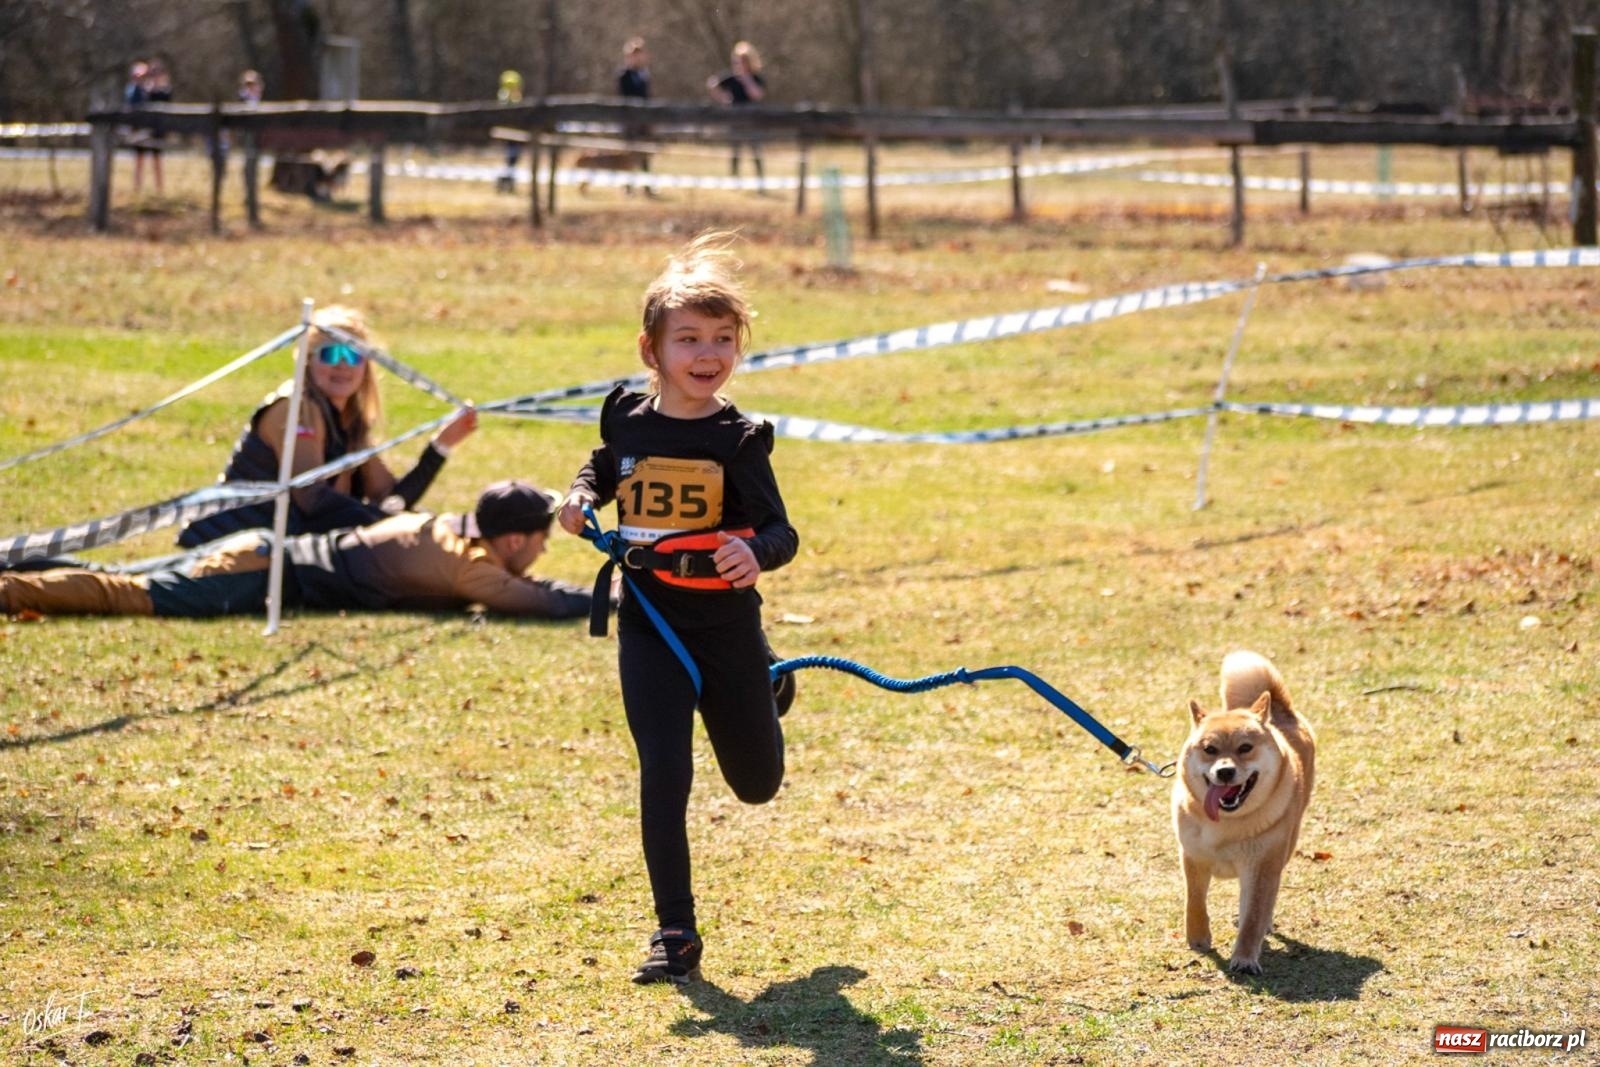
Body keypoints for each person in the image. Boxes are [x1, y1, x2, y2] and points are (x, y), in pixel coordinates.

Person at [559, 233, 799, 984]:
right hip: (649, 623)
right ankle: (676, 933)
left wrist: (754, 554)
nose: (707, 353)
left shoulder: (740, 439)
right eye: (689, 338)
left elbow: (781, 532)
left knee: (756, 784)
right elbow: (605, 464)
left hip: (726, 627)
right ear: (652, 349)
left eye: (723, 338)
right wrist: (581, 495)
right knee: (664, 769)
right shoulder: (626, 417)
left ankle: (770, 678)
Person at [2, 481, 591, 621]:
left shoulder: (441, 527)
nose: (542, 551)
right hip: (258, 573)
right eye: (541, 540)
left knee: (114, 571)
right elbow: (535, 600)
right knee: (121, 592)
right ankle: (9, 588)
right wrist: (608, 598)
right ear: (513, 539)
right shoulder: (470, 567)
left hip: (259, 553)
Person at [176, 305, 477, 548]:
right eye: (331, 354)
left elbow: (392, 499)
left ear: (366, 365)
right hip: (230, 548)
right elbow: (311, 498)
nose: (342, 365)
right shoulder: (295, 409)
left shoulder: (349, 423)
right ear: (307, 361)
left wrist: (441, 446)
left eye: (353, 355)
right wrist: (389, 522)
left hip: (281, 548)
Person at [706, 41, 766, 185]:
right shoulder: (731, 78)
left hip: (752, 119)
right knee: (735, 151)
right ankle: (734, 180)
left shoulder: (756, 78)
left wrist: (747, 81)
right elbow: (712, 84)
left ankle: (760, 180)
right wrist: (723, 98)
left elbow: (757, 95)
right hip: (735, 119)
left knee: (756, 150)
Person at [616, 37, 658, 197]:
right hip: (630, 120)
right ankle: (628, 186)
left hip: (644, 120)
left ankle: (647, 186)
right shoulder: (624, 75)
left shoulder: (644, 74)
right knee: (629, 154)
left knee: (644, 153)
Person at [496, 70, 524, 194]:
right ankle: (506, 183)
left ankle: (508, 183)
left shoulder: (505, 96)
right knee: (511, 159)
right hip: (509, 134)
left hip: (514, 134)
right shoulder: (507, 97)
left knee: (512, 159)